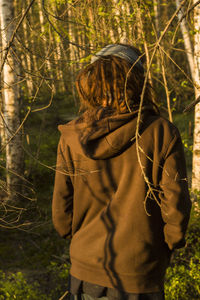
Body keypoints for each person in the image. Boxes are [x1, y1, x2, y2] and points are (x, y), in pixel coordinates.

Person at [52, 44, 191, 300]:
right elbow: (176, 207)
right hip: (140, 273)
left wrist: (83, 243)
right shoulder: (161, 132)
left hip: (85, 271)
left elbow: (62, 213)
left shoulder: (72, 136)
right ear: (137, 83)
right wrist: (165, 246)